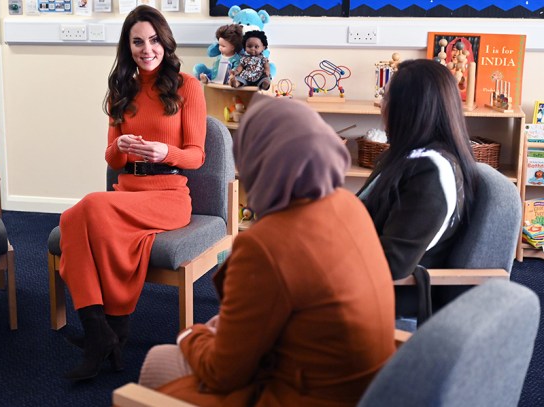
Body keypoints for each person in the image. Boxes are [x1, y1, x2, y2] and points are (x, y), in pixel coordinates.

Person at [139, 95, 396, 406]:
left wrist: (190, 334)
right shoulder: (348, 205)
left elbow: (222, 372)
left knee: (158, 362)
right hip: (370, 388)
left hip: (306, 394)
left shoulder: (265, 244)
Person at [58, 5, 206, 382]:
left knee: (88, 206)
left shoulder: (188, 86)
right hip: (128, 191)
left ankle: (106, 332)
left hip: (170, 195)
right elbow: (111, 156)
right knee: (71, 217)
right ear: (128, 46)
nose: (147, 48)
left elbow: (197, 156)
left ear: (165, 41)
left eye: (154, 40)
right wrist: (121, 144)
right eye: (138, 41)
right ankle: (101, 332)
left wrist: (165, 152)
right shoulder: (121, 88)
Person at [357, 58, 479, 320]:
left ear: (408, 109)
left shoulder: (431, 173)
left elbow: (392, 264)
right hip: (356, 276)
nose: (381, 105)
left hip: (382, 302)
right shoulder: (405, 157)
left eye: (386, 98)